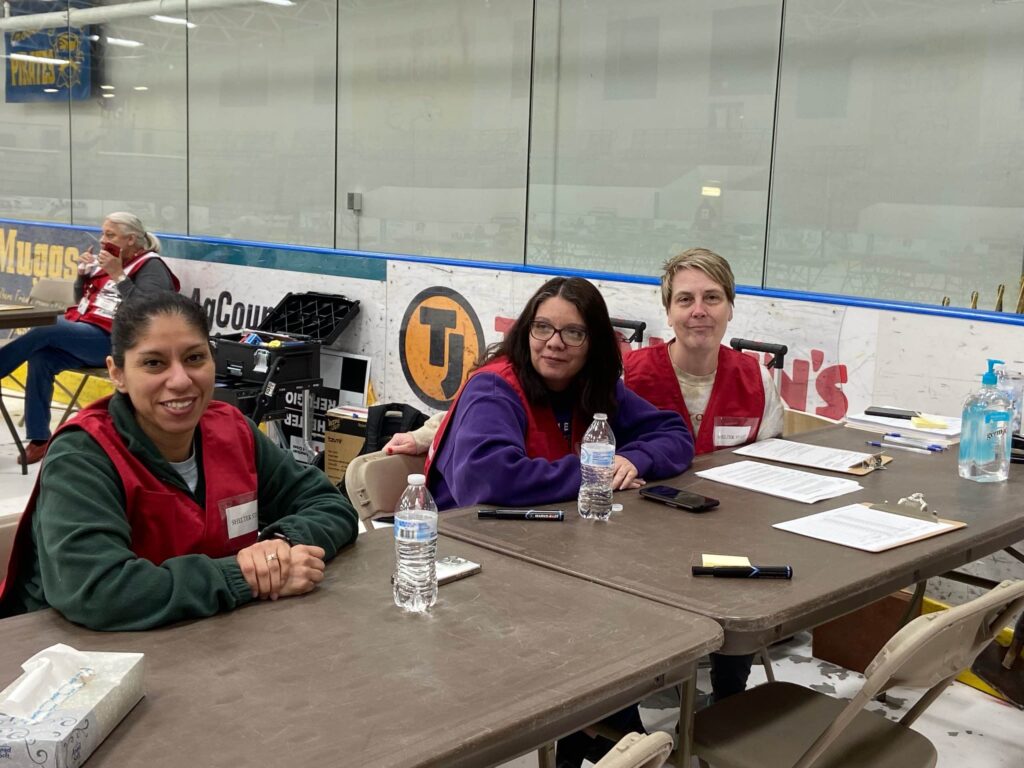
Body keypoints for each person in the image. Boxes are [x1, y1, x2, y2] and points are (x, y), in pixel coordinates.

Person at [0, 292, 358, 630]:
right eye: (154, 363)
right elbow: (98, 590)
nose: (180, 380)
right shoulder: (83, 454)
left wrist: (279, 545)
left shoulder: (232, 430)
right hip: (75, 658)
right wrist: (243, 576)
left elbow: (331, 505)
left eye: (194, 358)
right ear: (117, 373)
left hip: (210, 639)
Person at [424, 276, 693, 511]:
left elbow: (675, 434)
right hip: (467, 540)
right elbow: (488, 479)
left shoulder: (594, 385)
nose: (554, 343)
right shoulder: (493, 390)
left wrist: (633, 459)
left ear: (594, 344)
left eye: (573, 333)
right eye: (542, 327)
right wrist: (595, 474)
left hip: (555, 536)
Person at [0, 212, 179, 465]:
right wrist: (83, 276)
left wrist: (118, 275)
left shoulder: (151, 266)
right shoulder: (112, 261)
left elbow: (149, 311)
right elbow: (81, 301)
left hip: (120, 342)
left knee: (47, 328)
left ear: (130, 239)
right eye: (103, 233)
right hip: (89, 332)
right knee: (42, 357)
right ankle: (40, 439)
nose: (102, 239)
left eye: (110, 235)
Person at [624, 247, 783, 455]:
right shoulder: (625, 377)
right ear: (669, 313)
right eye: (685, 299)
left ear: (730, 309)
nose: (699, 311)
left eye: (712, 297)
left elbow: (769, 464)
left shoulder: (758, 381)